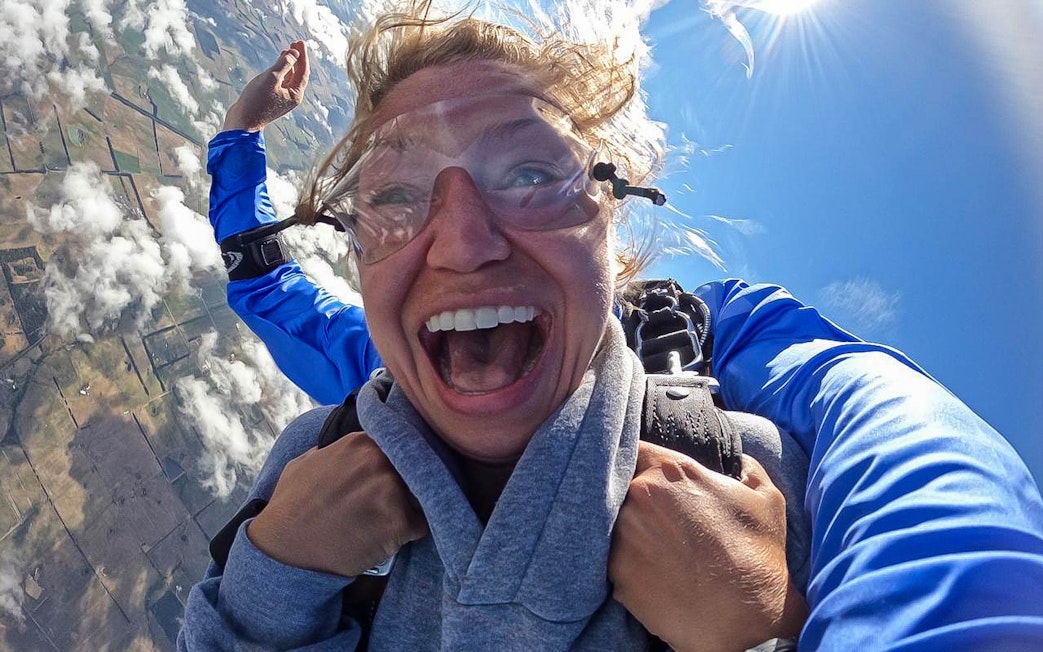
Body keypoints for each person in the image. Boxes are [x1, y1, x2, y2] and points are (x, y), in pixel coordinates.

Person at [184, 3, 1043, 650]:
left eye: (527, 172)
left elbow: (875, 410)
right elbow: (271, 287)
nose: (463, 242)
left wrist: (779, 617)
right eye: (396, 194)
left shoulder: (755, 468)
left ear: (611, 218)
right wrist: (270, 576)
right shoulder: (334, 444)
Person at [206, 39, 380, 405]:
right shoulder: (386, 367)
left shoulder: (384, 369)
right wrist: (244, 129)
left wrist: (243, 130)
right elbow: (265, 282)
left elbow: (268, 289)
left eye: (529, 181)